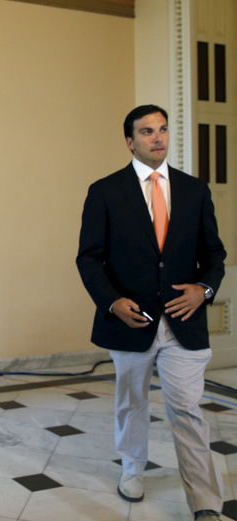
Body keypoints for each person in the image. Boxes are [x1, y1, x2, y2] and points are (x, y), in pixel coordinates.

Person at [77, 104, 226, 521]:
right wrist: (112, 302)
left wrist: (204, 288)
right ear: (130, 141)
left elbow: (215, 254)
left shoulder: (195, 190)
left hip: (185, 322)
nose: (157, 138)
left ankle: (206, 503)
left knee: (188, 409)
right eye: (146, 132)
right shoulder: (105, 191)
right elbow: (89, 258)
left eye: (162, 130)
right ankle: (131, 467)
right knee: (131, 402)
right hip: (131, 320)